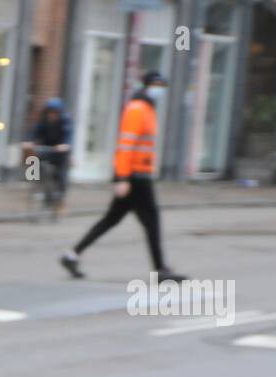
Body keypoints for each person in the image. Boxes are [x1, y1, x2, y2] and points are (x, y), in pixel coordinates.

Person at [61, 71, 185, 280]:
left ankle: (72, 255)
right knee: (151, 221)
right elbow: (126, 145)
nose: (160, 90)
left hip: (137, 175)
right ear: (146, 86)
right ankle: (160, 270)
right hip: (136, 177)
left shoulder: (147, 109)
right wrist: (121, 178)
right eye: (156, 85)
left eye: (163, 86)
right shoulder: (138, 109)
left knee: (111, 219)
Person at [22, 97, 72, 216]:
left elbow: (68, 136)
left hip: (60, 152)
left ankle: (60, 199)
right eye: (50, 112)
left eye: (55, 112)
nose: (52, 115)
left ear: (59, 113)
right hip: (47, 149)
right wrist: (29, 141)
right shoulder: (43, 120)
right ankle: (36, 184)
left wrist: (65, 145)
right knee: (34, 161)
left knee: (60, 174)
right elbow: (34, 132)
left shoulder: (65, 121)